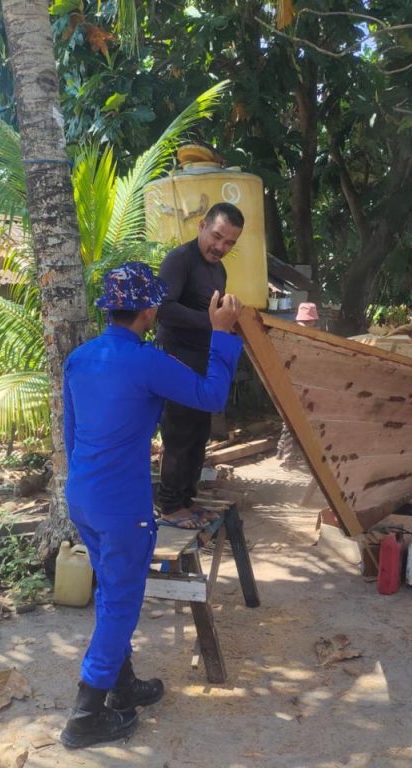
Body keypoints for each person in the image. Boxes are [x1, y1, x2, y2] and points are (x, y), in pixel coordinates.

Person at [60, 262, 244, 749]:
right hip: (122, 505)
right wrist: (222, 334)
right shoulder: (147, 360)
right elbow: (211, 394)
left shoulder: (79, 358)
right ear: (148, 309)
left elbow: (71, 433)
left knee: (110, 591)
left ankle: (123, 688)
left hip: (83, 496)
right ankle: (84, 717)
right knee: (121, 604)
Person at [155, 202, 246, 528]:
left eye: (229, 243)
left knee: (198, 433)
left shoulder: (217, 269)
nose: (220, 247)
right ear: (202, 226)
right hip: (175, 360)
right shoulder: (180, 259)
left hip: (201, 361)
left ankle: (187, 502)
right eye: (217, 237)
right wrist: (211, 320)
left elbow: (213, 315)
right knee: (178, 435)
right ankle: (169, 507)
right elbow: (162, 310)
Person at [276, 302, 319, 469]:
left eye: (309, 322)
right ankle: (288, 459)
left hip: (305, 385)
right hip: (293, 385)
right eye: (306, 322)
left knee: (291, 421)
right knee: (290, 422)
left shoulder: (312, 339)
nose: (307, 325)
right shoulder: (292, 337)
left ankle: (282, 453)